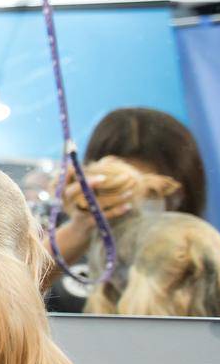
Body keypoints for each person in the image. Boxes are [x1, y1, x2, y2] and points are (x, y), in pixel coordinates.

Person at [47, 107, 208, 310]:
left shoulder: (197, 254)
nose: (137, 205)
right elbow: (14, 290)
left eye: (154, 192)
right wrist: (80, 229)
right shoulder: (65, 245)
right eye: (125, 190)